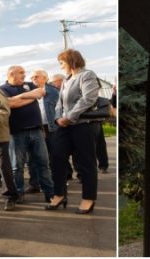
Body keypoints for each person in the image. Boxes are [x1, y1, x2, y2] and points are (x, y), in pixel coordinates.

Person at [47, 49, 100, 215]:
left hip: (83, 125)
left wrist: (69, 117)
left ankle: (88, 198)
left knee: (86, 161)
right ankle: (59, 194)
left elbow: (88, 99)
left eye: (62, 63)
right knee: (57, 157)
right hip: (64, 126)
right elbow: (59, 103)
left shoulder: (87, 75)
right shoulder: (66, 80)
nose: (61, 66)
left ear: (71, 61)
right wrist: (57, 118)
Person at [0, 65, 55, 205]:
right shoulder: (1, 89)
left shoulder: (29, 85)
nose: (25, 75)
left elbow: (40, 92)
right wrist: (28, 97)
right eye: (21, 73)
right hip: (16, 134)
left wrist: (18, 98)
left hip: (36, 131)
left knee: (43, 163)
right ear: (12, 74)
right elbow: (8, 104)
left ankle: (50, 194)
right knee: (16, 166)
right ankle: (18, 194)